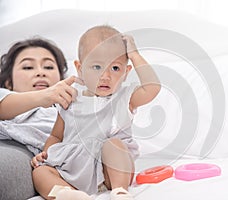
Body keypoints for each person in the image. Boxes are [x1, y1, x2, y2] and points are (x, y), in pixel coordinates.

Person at [31, 25, 161, 200]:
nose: (105, 76)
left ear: (125, 72)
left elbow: (153, 87)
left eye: (115, 68)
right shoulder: (70, 98)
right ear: (79, 68)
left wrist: (134, 54)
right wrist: (45, 154)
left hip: (110, 173)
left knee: (114, 145)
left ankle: (120, 192)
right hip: (72, 168)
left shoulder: (125, 98)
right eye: (96, 67)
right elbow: (56, 136)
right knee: (40, 172)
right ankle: (67, 194)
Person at [0, 38, 79, 200]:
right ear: (8, 83)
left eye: (49, 67)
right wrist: (44, 96)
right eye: (28, 67)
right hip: (16, 147)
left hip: (56, 161)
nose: (40, 72)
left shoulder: (72, 109)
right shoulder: (7, 96)